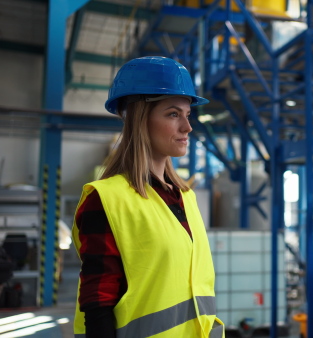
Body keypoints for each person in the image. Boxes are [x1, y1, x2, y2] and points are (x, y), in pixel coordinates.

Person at [72, 56, 224, 338]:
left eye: (187, 115)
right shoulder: (106, 200)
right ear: (140, 119)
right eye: (173, 114)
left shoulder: (185, 197)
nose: (187, 128)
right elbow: (98, 306)